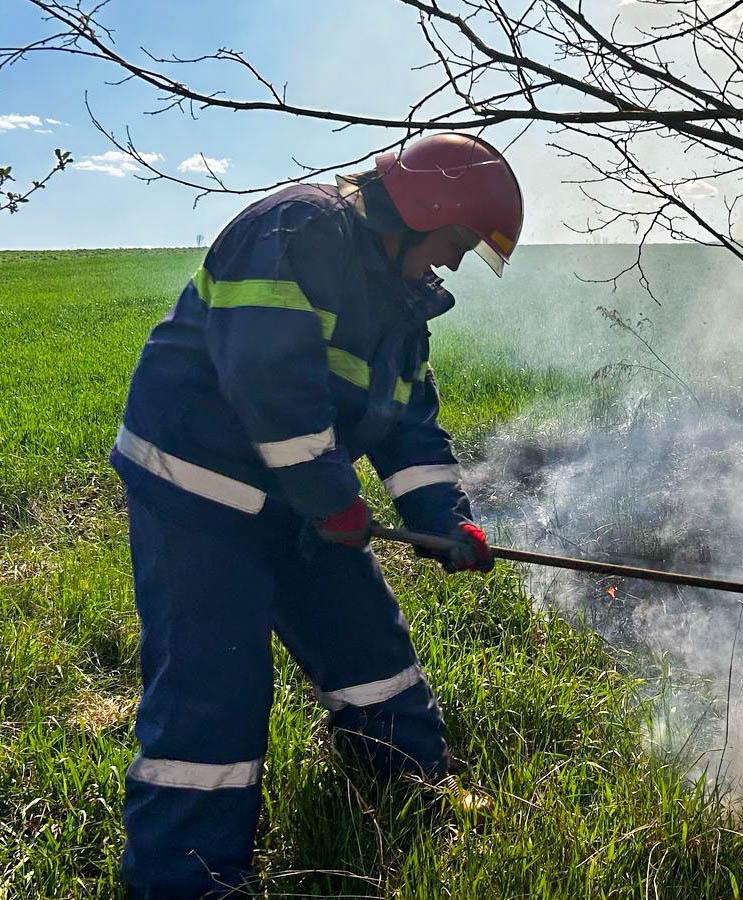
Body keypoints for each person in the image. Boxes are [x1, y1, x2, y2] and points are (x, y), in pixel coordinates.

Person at [109, 132, 523, 898]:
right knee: (213, 694)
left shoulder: (400, 302)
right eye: (458, 243)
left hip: (298, 499)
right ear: (421, 211)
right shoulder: (299, 229)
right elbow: (270, 379)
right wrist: (333, 502)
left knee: (369, 648)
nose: (458, 263)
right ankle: (186, 879)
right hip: (201, 496)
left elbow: (408, 424)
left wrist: (446, 519)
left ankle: (410, 788)